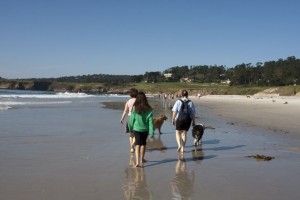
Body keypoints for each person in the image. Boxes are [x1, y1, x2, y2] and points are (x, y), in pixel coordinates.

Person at [128, 91, 154, 167]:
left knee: (137, 144)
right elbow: (150, 122)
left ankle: (137, 162)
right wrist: (152, 132)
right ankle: (141, 159)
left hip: (136, 129)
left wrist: (130, 128)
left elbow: (131, 120)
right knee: (143, 144)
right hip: (145, 129)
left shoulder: (134, 108)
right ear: (145, 99)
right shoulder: (149, 109)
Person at [172, 90, 196, 154]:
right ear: (187, 95)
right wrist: (193, 121)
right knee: (184, 134)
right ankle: (182, 148)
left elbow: (174, 111)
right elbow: (193, 113)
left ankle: (179, 145)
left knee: (177, 132)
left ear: (181, 95)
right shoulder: (190, 102)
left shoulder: (178, 101)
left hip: (179, 119)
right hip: (187, 119)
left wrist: (173, 119)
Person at [120, 88, 138, 153]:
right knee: (136, 134)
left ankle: (132, 148)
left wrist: (122, 118)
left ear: (130, 94)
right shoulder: (138, 101)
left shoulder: (128, 101)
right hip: (136, 118)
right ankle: (133, 145)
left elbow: (125, 111)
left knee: (131, 134)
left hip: (129, 117)